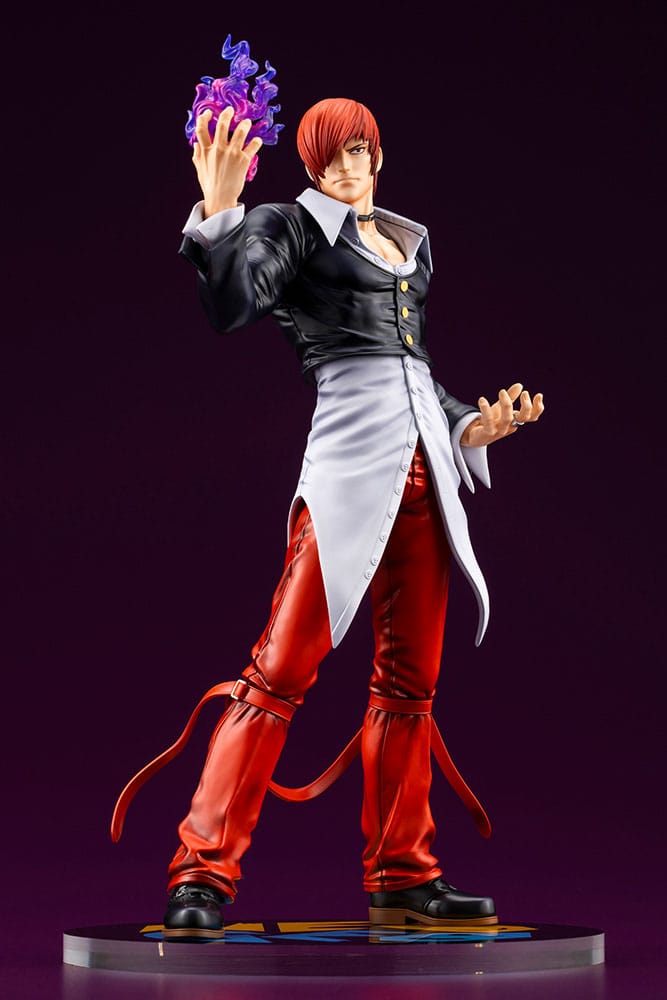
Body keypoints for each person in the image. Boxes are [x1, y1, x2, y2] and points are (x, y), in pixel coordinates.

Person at [114, 97, 544, 939]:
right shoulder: (292, 228)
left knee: (409, 686)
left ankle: (403, 876)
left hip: (425, 476)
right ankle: (200, 872)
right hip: (349, 469)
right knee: (276, 673)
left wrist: (470, 425)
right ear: (310, 165)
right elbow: (231, 306)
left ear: (376, 155)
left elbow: (410, 372)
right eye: (331, 157)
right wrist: (220, 210)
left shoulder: (405, 246)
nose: (348, 170)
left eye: (359, 152)